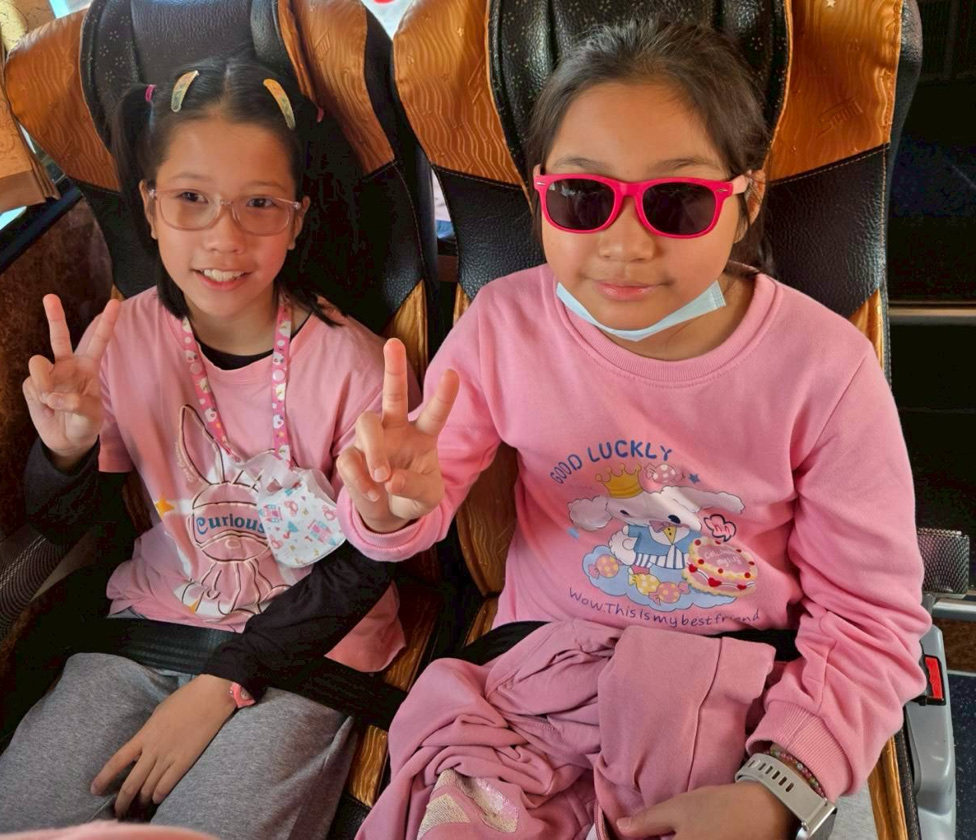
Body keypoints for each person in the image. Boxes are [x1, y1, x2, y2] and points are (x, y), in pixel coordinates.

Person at [335, 18, 930, 840]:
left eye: (676, 203)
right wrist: (389, 508)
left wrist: (775, 790)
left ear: (746, 200)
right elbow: (413, 511)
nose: (623, 244)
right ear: (540, 194)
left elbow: (869, 622)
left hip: (738, 698)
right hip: (536, 689)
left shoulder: (824, 370)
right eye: (583, 199)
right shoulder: (504, 328)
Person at [0, 53, 414, 840]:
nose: (223, 237)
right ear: (150, 206)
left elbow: (364, 566)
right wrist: (63, 454)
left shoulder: (356, 369)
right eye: (191, 199)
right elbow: (62, 522)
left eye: (259, 203)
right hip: (148, 628)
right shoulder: (120, 341)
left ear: (297, 217)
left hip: (309, 653)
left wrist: (223, 681)